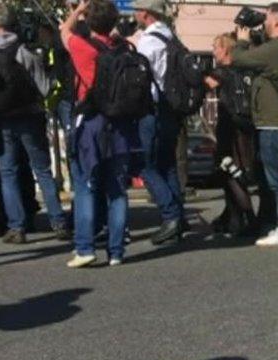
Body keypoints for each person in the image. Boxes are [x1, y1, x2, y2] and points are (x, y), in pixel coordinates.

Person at [60, 0, 139, 267]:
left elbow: (64, 32)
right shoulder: (123, 48)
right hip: (121, 125)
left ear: (90, 22)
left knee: (85, 186)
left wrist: (77, 10)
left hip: (92, 122)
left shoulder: (84, 49)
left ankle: (85, 247)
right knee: (117, 190)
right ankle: (116, 252)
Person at [0, 2, 70, 243]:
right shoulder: (23, 51)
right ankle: (58, 221)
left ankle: (17, 226)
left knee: (7, 173)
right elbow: (44, 88)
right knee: (42, 169)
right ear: (14, 22)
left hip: (0, 119)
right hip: (29, 116)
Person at [223, 3, 278, 248]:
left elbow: (238, 59)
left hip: (276, 125)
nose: (264, 22)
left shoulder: (277, 49)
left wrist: (241, 40)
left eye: (267, 18)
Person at [132, 0, 188, 245]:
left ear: (145, 13)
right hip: (170, 108)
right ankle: (179, 217)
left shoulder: (148, 41)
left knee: (145, 164)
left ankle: (171, 215)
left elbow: (141, 77)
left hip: (152, 108)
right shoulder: (171, 37)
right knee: (167, 164)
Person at [204, 32, 263, 238]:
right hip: (247, 126)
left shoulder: (221, 72)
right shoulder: (246, 70)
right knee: (234, 171)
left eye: (215, 48)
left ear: (226, 49)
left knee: (229, 171)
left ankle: (247, 217)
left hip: (229, 126)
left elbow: (203, 85)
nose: (214, 52)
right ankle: (233, 218)